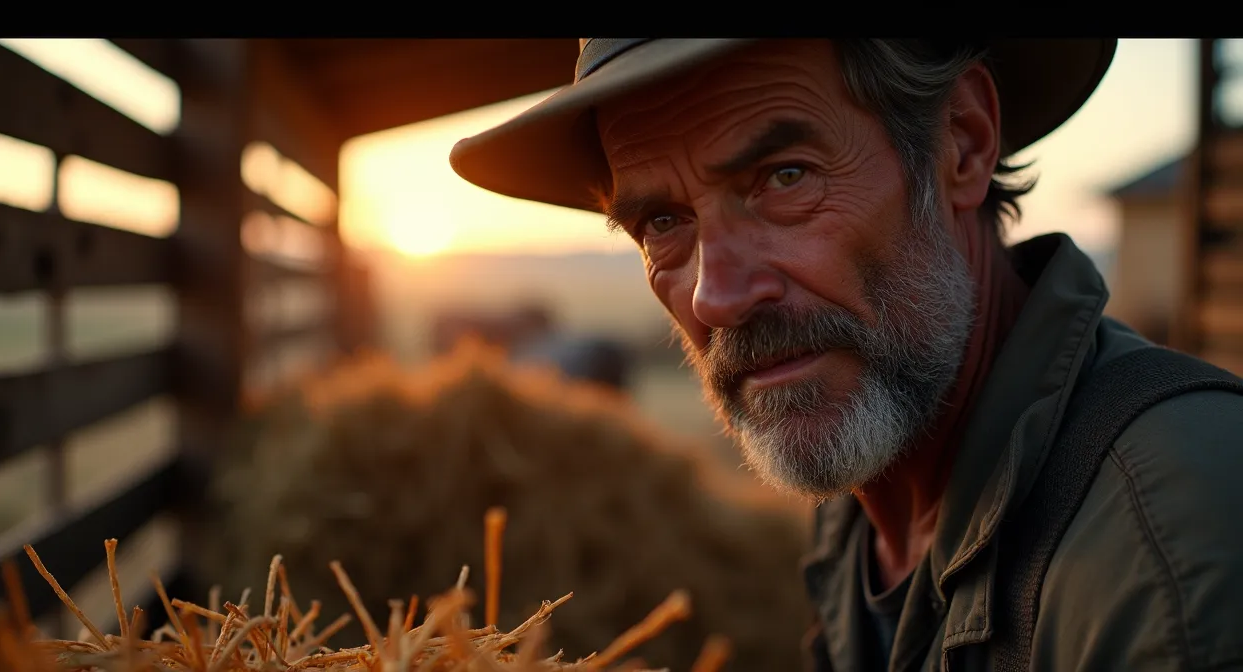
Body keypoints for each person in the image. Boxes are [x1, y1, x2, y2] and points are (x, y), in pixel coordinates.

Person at [449, 39, 1243, 671]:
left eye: (784, 177)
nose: (716, 297)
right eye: (662, 223)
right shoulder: (866, 510)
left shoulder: (1169, 537)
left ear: (962, 143)